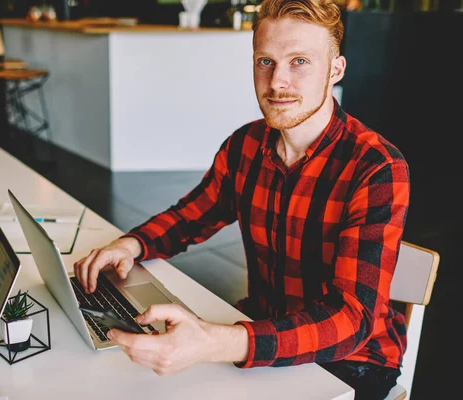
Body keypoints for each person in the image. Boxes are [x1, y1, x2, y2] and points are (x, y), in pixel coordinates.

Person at [73, 1, 409, 398]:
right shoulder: (244, 145)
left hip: (351, 362)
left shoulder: (375, 167)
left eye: (299, 61)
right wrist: (130, 244)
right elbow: (191, 216)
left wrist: (215, 342)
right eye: (265, 61)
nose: (277, 82)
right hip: (262, 327)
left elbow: (352, 320)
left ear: (335, 70)